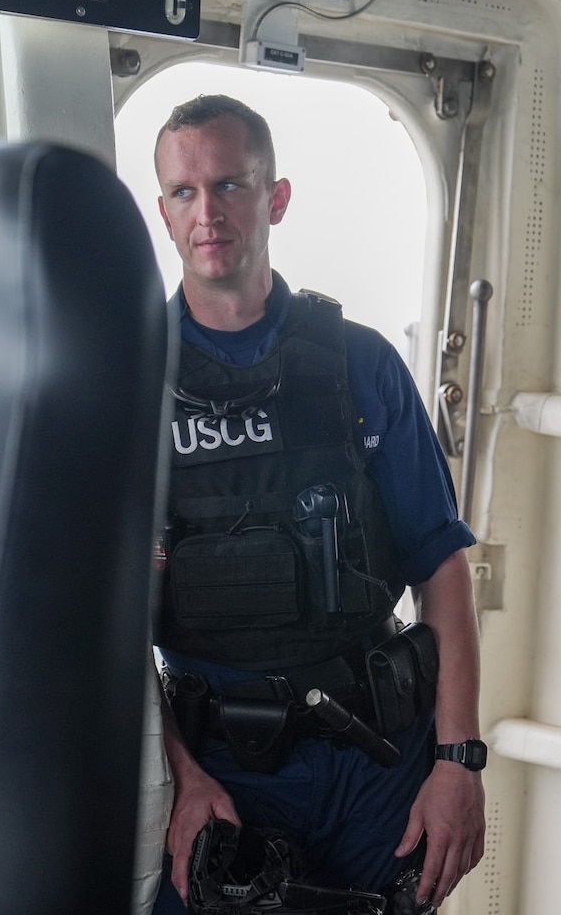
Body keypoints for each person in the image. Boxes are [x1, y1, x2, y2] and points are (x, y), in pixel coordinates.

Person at [148, 95, 485, 913]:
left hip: (376, 761)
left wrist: (458, 763)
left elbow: (440, 571)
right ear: (162, 211)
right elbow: (100, 627)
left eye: (230, 185)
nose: (209, 212)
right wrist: (177, 780)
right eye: (185, 193)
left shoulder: (360, 365)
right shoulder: (127, 384)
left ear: (277, 197)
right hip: (221, 771)